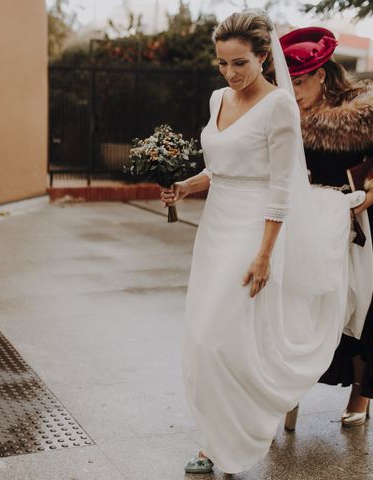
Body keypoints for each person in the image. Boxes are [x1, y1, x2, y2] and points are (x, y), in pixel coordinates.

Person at [160, 10, 354, 474]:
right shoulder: (216, 100)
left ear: (264, 58)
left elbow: (282, 184)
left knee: (219, 338)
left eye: (240, 64)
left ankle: (241, 431)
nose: (231, 74)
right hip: (215, 228)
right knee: (203, 338)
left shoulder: (278, 106)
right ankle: (213, 439)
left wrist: (265, 253)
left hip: (253, 230)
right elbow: (223, 165)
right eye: (223, 64)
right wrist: (188, 185)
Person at [282, 26, 373, 426]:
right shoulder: (286, 114)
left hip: (358, 219)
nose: (294, 90)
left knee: (359, 304)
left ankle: (361, 396)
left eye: (300, 82)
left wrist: (360, 201)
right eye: (289, 83)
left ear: (321, 74)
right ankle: (287, 392)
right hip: (306, 220)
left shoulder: (362, 112)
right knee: (307, 307)